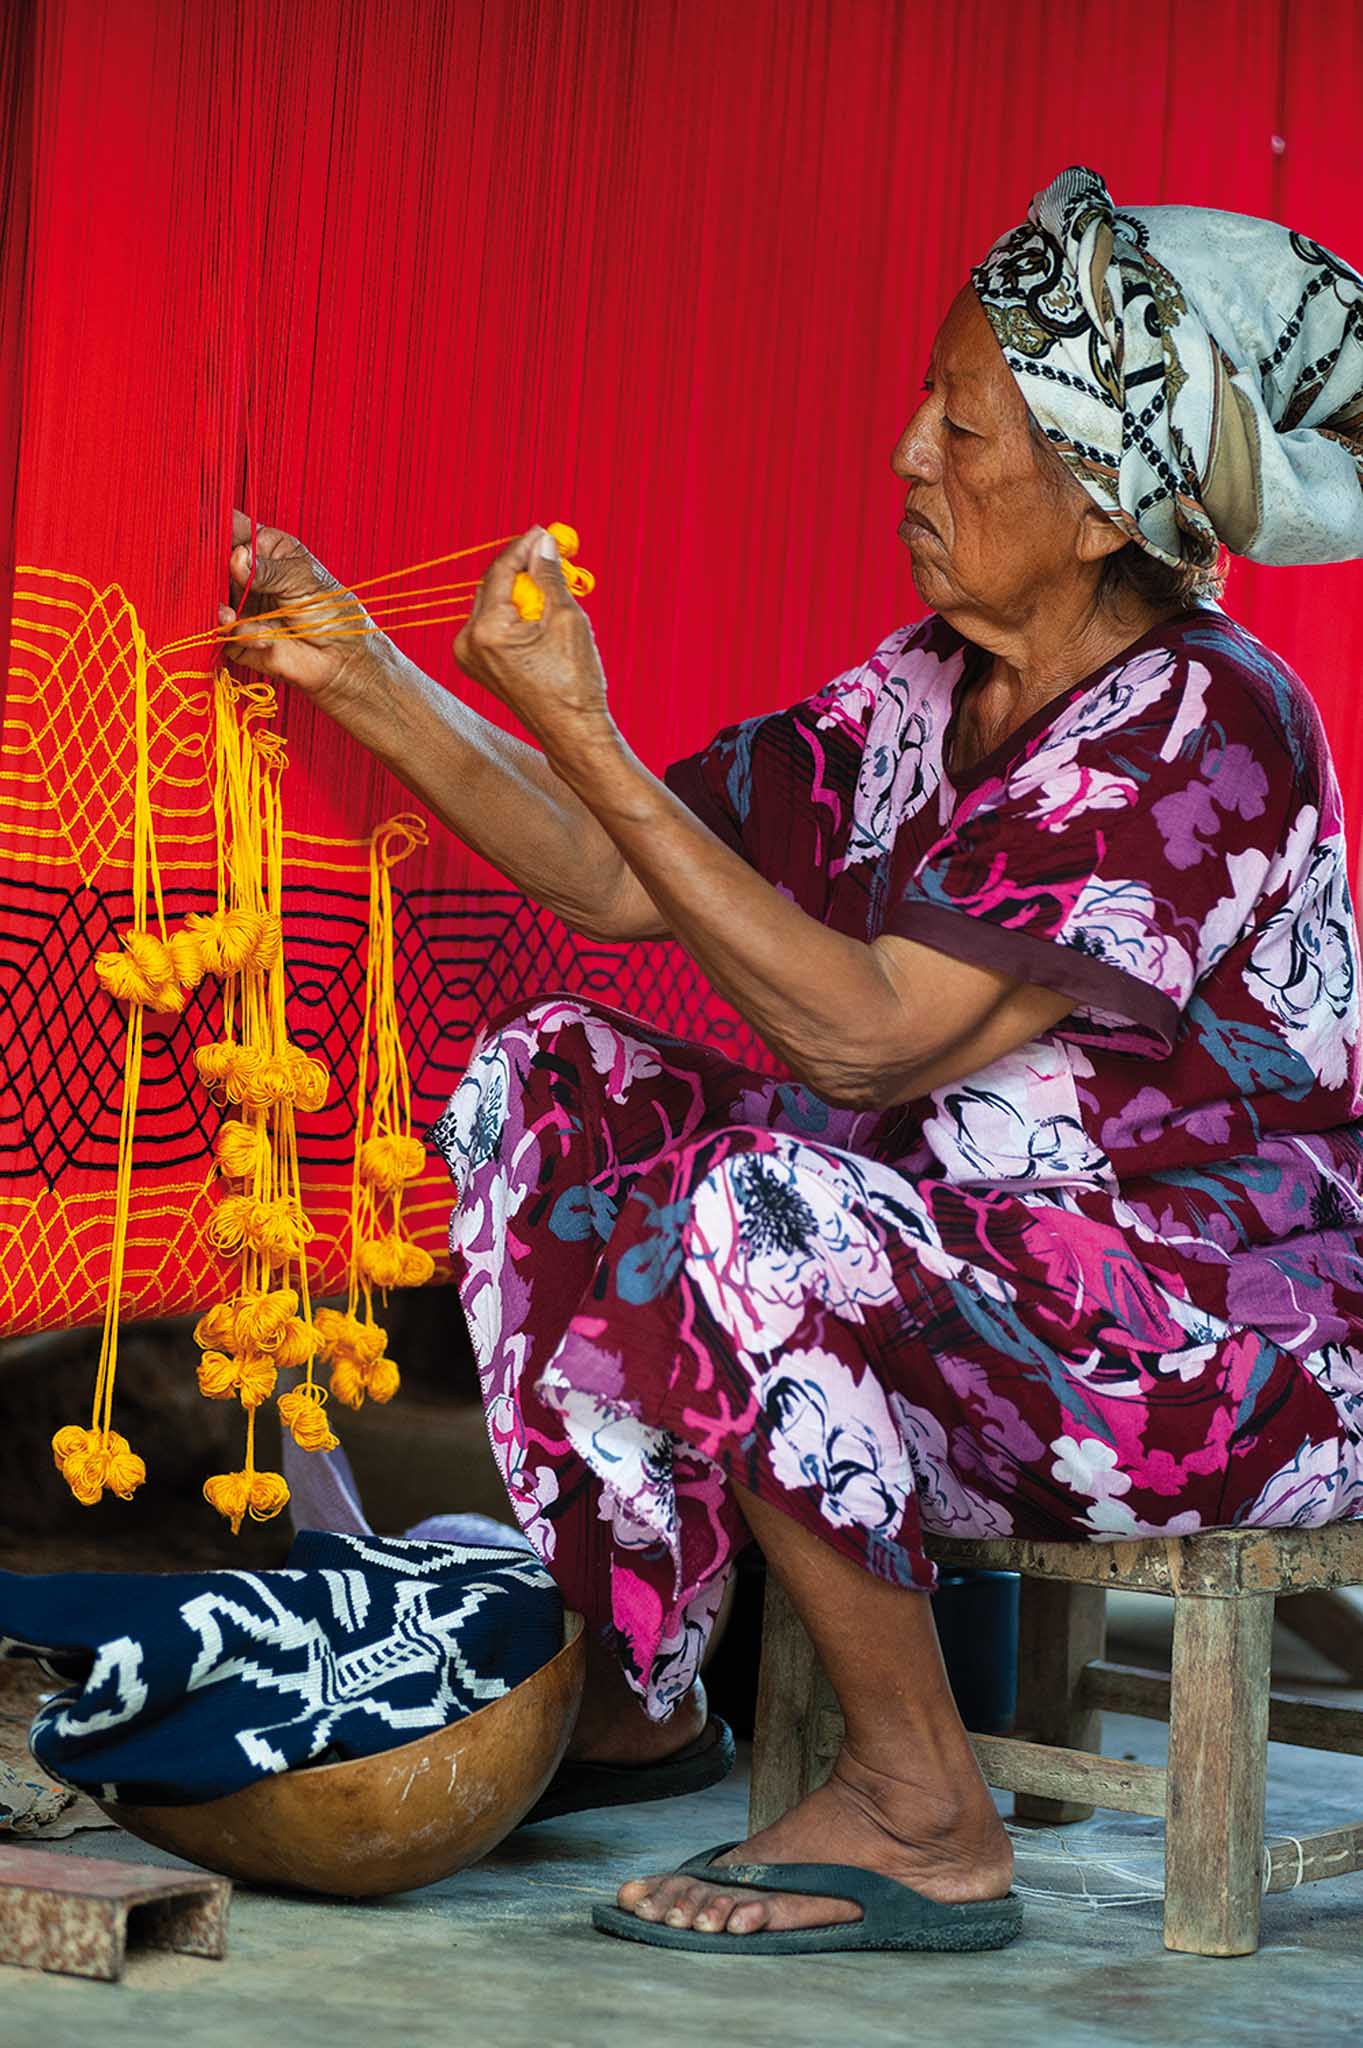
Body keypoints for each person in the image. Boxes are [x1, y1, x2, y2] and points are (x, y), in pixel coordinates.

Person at [222, 166, 1363, 1956]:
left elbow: (855, 1027)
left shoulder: (1206, 725)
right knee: (557, 1084)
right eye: (926, 401)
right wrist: (361, 667)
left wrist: (585, 727)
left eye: (965, 423)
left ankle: (924, 1807)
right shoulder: (930, 690)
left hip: (1215, 1346)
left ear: (1099, 502)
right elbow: (618, 872)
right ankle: (650, 1672)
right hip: (964, 1289)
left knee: (758, 1203)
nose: (910, 452)